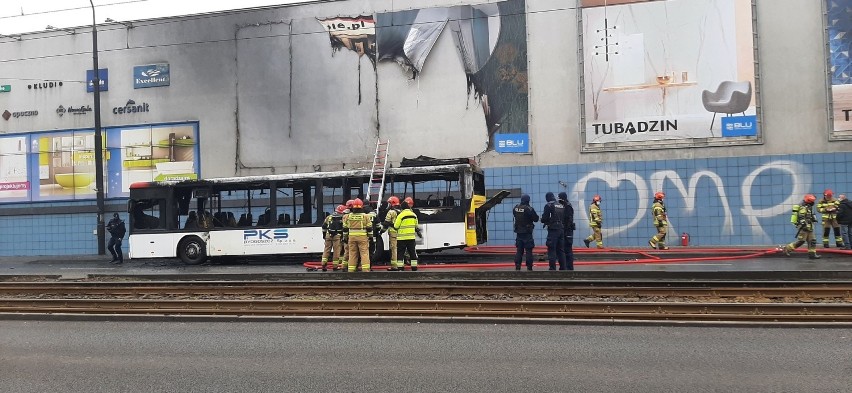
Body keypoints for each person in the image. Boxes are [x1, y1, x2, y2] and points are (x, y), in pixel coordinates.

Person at [782, 194, 820, 259]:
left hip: (810, 227)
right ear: (808, 201)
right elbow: (801, 216)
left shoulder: (809, 207)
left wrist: (814, 219)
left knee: (812, 241)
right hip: (804, 227)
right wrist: (803, 224)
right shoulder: (803, 207)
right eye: (812, 201)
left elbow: (811, 215)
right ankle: (787, 248)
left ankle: (812, 254)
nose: (813, 202)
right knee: (801, 241)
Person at [343, 198, 373, 272]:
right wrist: (370, 237)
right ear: (361, 207)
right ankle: (365, 269)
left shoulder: (348, 216)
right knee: (364, 253)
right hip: (362, 237)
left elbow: (345, 229)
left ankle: (351, 269)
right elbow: (369, 228)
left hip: (351, 238)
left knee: (352, 253)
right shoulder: (365, 216)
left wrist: (345, 237)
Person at [512, 194, 539, 271]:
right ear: (528, 200)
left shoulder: (516, 208)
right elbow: (536, 219)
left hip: (519, 233)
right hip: (527, 233)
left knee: (519, 251)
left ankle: (517, 266)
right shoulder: (529, 209)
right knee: (529, 251)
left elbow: (515, 215)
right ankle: (529, 267)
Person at [541, 192, 567, 270]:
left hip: (553, 230)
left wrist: (543, 220)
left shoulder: (548, 205)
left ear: (547, 198)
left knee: (551, 249)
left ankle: (552, 268)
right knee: (561, 250)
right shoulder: (561, 205)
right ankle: (563, 268)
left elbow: (545, 218)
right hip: (561, 229)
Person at [394, 200, 422, 271]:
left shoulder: (400, 215)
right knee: (412, 253)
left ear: (402, 208)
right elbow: (416, 226)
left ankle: (400, 268)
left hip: (401, 238)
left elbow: (396, 226)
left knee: (400, 253)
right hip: (411, 238)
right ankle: (414, 267)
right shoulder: (414, 215)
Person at [320, 204, 347, 271]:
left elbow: (324, 227)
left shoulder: (329, 217)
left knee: (326, 250)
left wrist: (324, 235)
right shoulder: (343, 218)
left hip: (328, 235)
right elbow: (344, 228)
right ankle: (335, 266)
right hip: (337, 236)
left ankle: (323, 264)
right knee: (336, 251)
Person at [382, 196, 402, 271]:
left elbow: (386, 223)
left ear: (392, 203)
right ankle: (401, 265)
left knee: (394, 250)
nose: (388, 205)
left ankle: (394, 266)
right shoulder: (401, 211)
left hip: (393, 234)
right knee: (400, 249)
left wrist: (381, 231)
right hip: (400, 233)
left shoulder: (391, 212)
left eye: (389, 203)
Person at [558, 192, 575, 270]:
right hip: (565, 230)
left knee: (568, 250)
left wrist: (565, 230)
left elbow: (569, 220)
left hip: (567, 231)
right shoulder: (564, 206)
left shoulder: (568, 207)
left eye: (559, 198)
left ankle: (569, 268)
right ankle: (566, 267)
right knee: (564, 249)